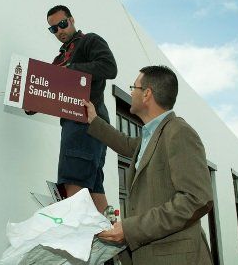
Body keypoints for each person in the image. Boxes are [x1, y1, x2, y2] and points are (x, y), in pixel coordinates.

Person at [83, 65, 213, 264]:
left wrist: (130, 228)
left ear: (147, 94)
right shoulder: (151, 135)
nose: (131, 92)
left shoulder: (179, 132)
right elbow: (125, 143)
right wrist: (93, 120)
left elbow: (196, 199)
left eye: (133, 87)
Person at [36, 4, 117, 213]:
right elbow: (49, 92)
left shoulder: (90, 41)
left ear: (71, 20)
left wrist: (72, 69)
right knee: (94, 184)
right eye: (53, 29)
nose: (59, 31)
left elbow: (109, 67)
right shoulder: (58, 60)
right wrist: (30, 102)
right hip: (82, 126)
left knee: (73, 181)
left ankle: (74, 239)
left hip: (85, 121)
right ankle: (108, 236)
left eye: (62, 24)